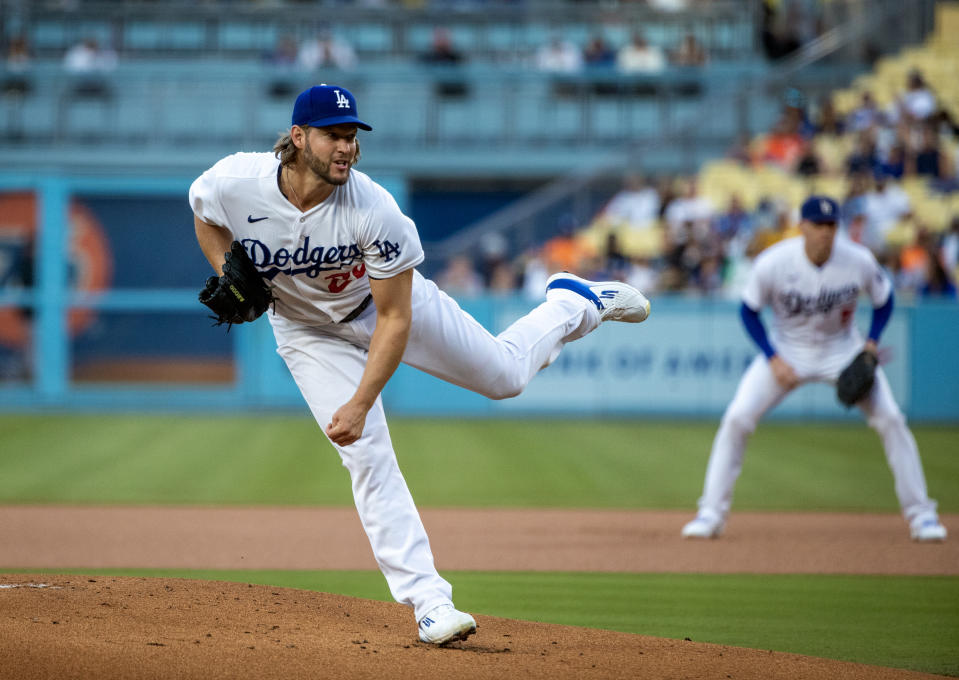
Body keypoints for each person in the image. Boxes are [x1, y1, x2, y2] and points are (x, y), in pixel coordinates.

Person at [189, 84, 651, 645]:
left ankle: (574, 304)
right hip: (307, 330)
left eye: (353, 136)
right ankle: (430, 602)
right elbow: (204, 210)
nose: (347, 148)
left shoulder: (373, 209)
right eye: (335, 135)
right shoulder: (237, 181)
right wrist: (224, 269)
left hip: (379, 308)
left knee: (504, 378)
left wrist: (360, 401)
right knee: (365, 454)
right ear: (297, 137)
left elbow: (393, 321)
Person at [681, 195, 947, 543]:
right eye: (818, 225)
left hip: (844, 350)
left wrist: (871, 342)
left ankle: (922, 516)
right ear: (802, 226)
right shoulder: (774, 262)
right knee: (737, 418)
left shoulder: (857, 260)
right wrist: (772, 356)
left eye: (831, 225)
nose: (825, 232)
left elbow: (885, 301)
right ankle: (711, 514)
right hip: (788, 351)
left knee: (891, 419)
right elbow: (748, 311)